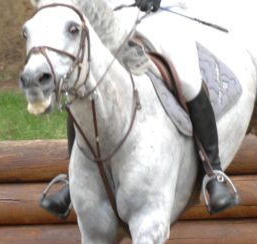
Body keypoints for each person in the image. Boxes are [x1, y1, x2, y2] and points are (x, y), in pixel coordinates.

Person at [40, 0, 239, 218]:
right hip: (112, 18)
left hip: (163, 15)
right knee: (86, 82)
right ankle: (73, 180)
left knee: (189, 81)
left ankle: (214, 174)